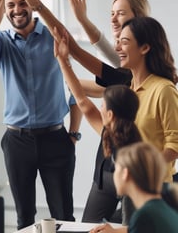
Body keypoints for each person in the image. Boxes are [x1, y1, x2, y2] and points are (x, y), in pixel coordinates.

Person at [0, 0, 81, 229]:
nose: (17, 10)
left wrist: (73, 134)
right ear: (4, 9)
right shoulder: (1, 41)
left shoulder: (53, 35)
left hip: (56, 139)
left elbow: (75, 89)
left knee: (63, 213)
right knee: (24, 216)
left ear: (32, 4)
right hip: (17, 141)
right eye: (10, 5)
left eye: (22, 3)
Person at [53, 27, 142, 224]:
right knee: (88, 227)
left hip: (131, 188)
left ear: (110, 114)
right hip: (103, 183)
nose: (99, 106)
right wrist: (62, 61)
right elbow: (82, 100)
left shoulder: (133, 155)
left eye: (103, 104)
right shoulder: (108, 130)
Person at [90, 142, 178, 233]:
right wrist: (114, 231)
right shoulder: (163, 209)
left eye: (116, 169)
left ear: (125, 173)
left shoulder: (143, 216)